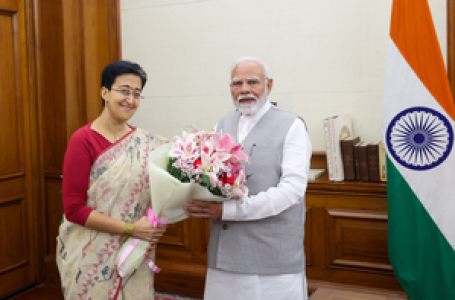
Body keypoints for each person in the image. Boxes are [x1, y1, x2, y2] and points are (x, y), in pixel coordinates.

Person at [184, 56, 312, 300]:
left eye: (253, 82)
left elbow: (292, 191)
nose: (244, 90)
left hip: (272, 256)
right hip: (226, 253)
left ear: (269, 85)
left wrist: (229, 211)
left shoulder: (291, 124)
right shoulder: (222, 124)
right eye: (237, 83)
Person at [56, 60, 167, 299]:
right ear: (104, 92)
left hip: (133, 251)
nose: (131, 100)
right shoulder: (83, 140)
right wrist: (131, 229)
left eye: (137, 94)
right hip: (90, 254)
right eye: (124, 91)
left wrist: (150, 230)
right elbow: (74, 209)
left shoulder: (145, 143)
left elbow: (160, 197)